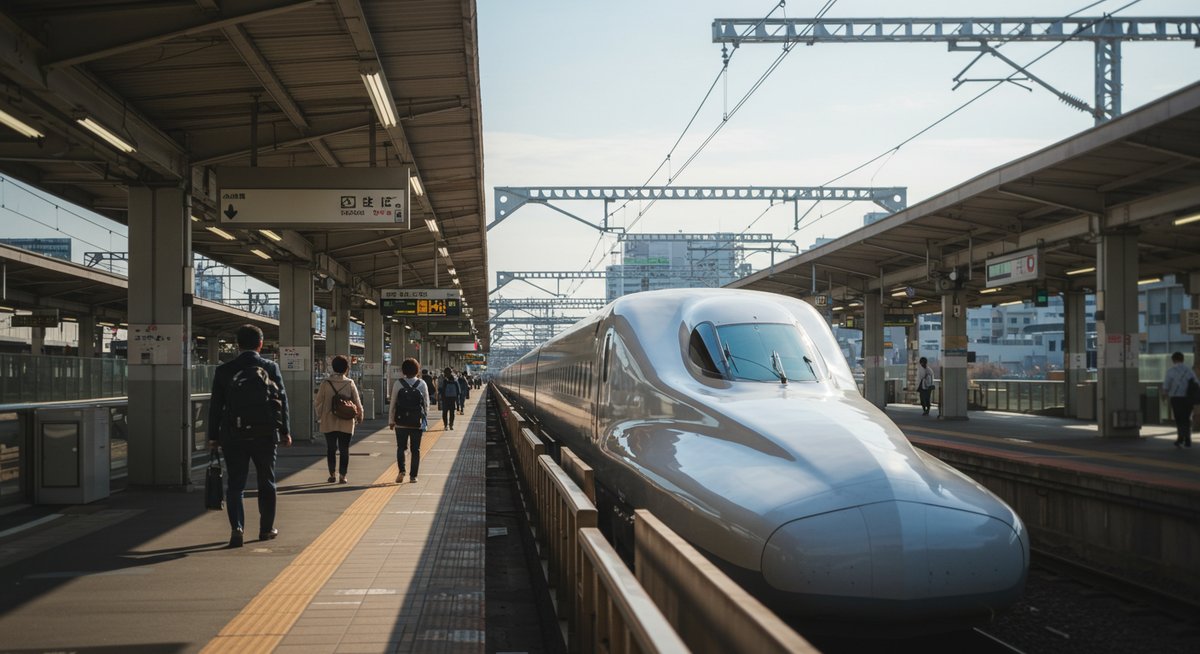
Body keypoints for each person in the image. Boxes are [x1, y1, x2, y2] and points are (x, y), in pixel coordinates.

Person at [208, 324, 291, 548]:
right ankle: (266, 530)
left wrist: (213, 436)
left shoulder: (224, 370)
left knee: (236, 484)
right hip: (265, 434)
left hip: (233, 435)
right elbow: (281, 401)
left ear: (237, 344)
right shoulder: (270, 367)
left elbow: (215, 407)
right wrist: (285, 431)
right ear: (260, 344)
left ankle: (237, 528)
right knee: (267, 481)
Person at [314, 354, 364, 483]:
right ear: (346, 368)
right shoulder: (349, 383)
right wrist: (359, 415)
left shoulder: (326, 383)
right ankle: (343, 475)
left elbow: (318, 402)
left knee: (331, 448)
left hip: (328, 420)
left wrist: (321, 416)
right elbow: (357, 401)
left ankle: (332, 474)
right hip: (346, 420)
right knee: (344, 449)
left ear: (333, 368)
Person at [388, 358, 429, 483]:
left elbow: (393, 403)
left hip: (401, 422)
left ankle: (402, 471)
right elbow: (426, 404)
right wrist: (424, 421)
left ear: (403, 370)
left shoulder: (398, 383)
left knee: (401, 447)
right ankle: (413, 476)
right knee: (415, 450)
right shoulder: (422, 384)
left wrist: (391, 420)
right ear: (417, 370)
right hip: (416, 423)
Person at [1160, 351, 1199, 448]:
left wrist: (1164, 396)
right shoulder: (1189, 370)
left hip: (1176, 398)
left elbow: (1166, 385)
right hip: (1188, 398)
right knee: (1186, 418)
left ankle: (1180, 438)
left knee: (1179, 419)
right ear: (1183, 359)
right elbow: (1197, 383)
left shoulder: (1171, 371)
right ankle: (1188, 439)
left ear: (1173, 360)